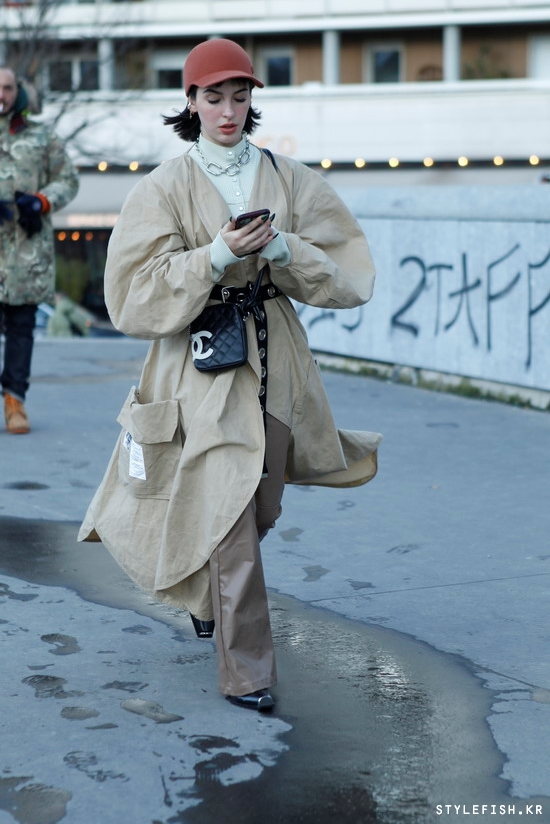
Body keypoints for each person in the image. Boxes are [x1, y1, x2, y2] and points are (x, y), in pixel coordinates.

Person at [78, 38, 382, 712]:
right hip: (200, 366)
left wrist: (284, 247)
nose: (227, 111)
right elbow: (129, 296)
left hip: (277, 362)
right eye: (213, 97)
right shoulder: (163, 187)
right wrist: (213, 256)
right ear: (189, 102)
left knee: (261, 503)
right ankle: (248, 672)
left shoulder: (290, 177)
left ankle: (203, 592)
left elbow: (350, 274)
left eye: (239, 97)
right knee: (229, 509)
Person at [0, 66, 79, 434]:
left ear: (18, 91)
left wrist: (42, 201)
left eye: (7, 87)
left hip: (26, 254)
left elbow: (68, 178)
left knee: (21, 330)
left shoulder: (42, 136)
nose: (1, 94)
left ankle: (14, 402)